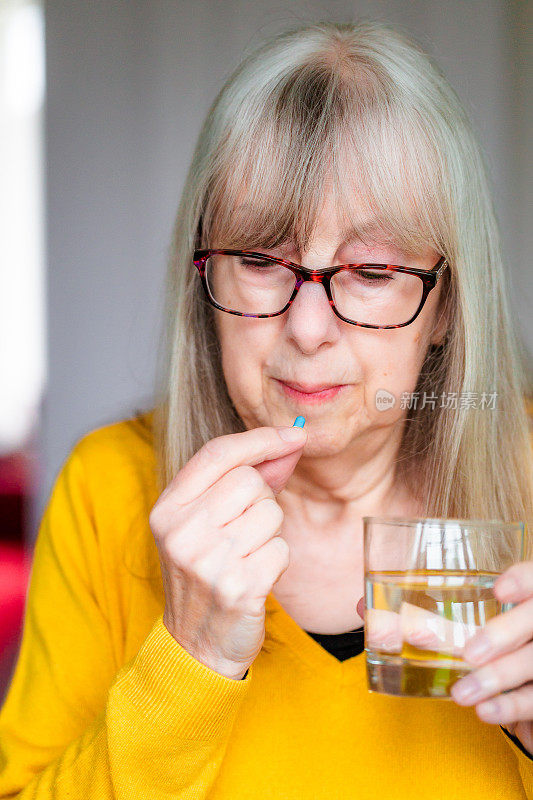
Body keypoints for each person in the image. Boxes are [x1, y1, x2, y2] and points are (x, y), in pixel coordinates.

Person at [1, 18, 533, 800]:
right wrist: (188, 657)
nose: (308, 330)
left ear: (446, 305)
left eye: (373, 269)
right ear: (202, 279)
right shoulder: (110, 487)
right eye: (258, 259)